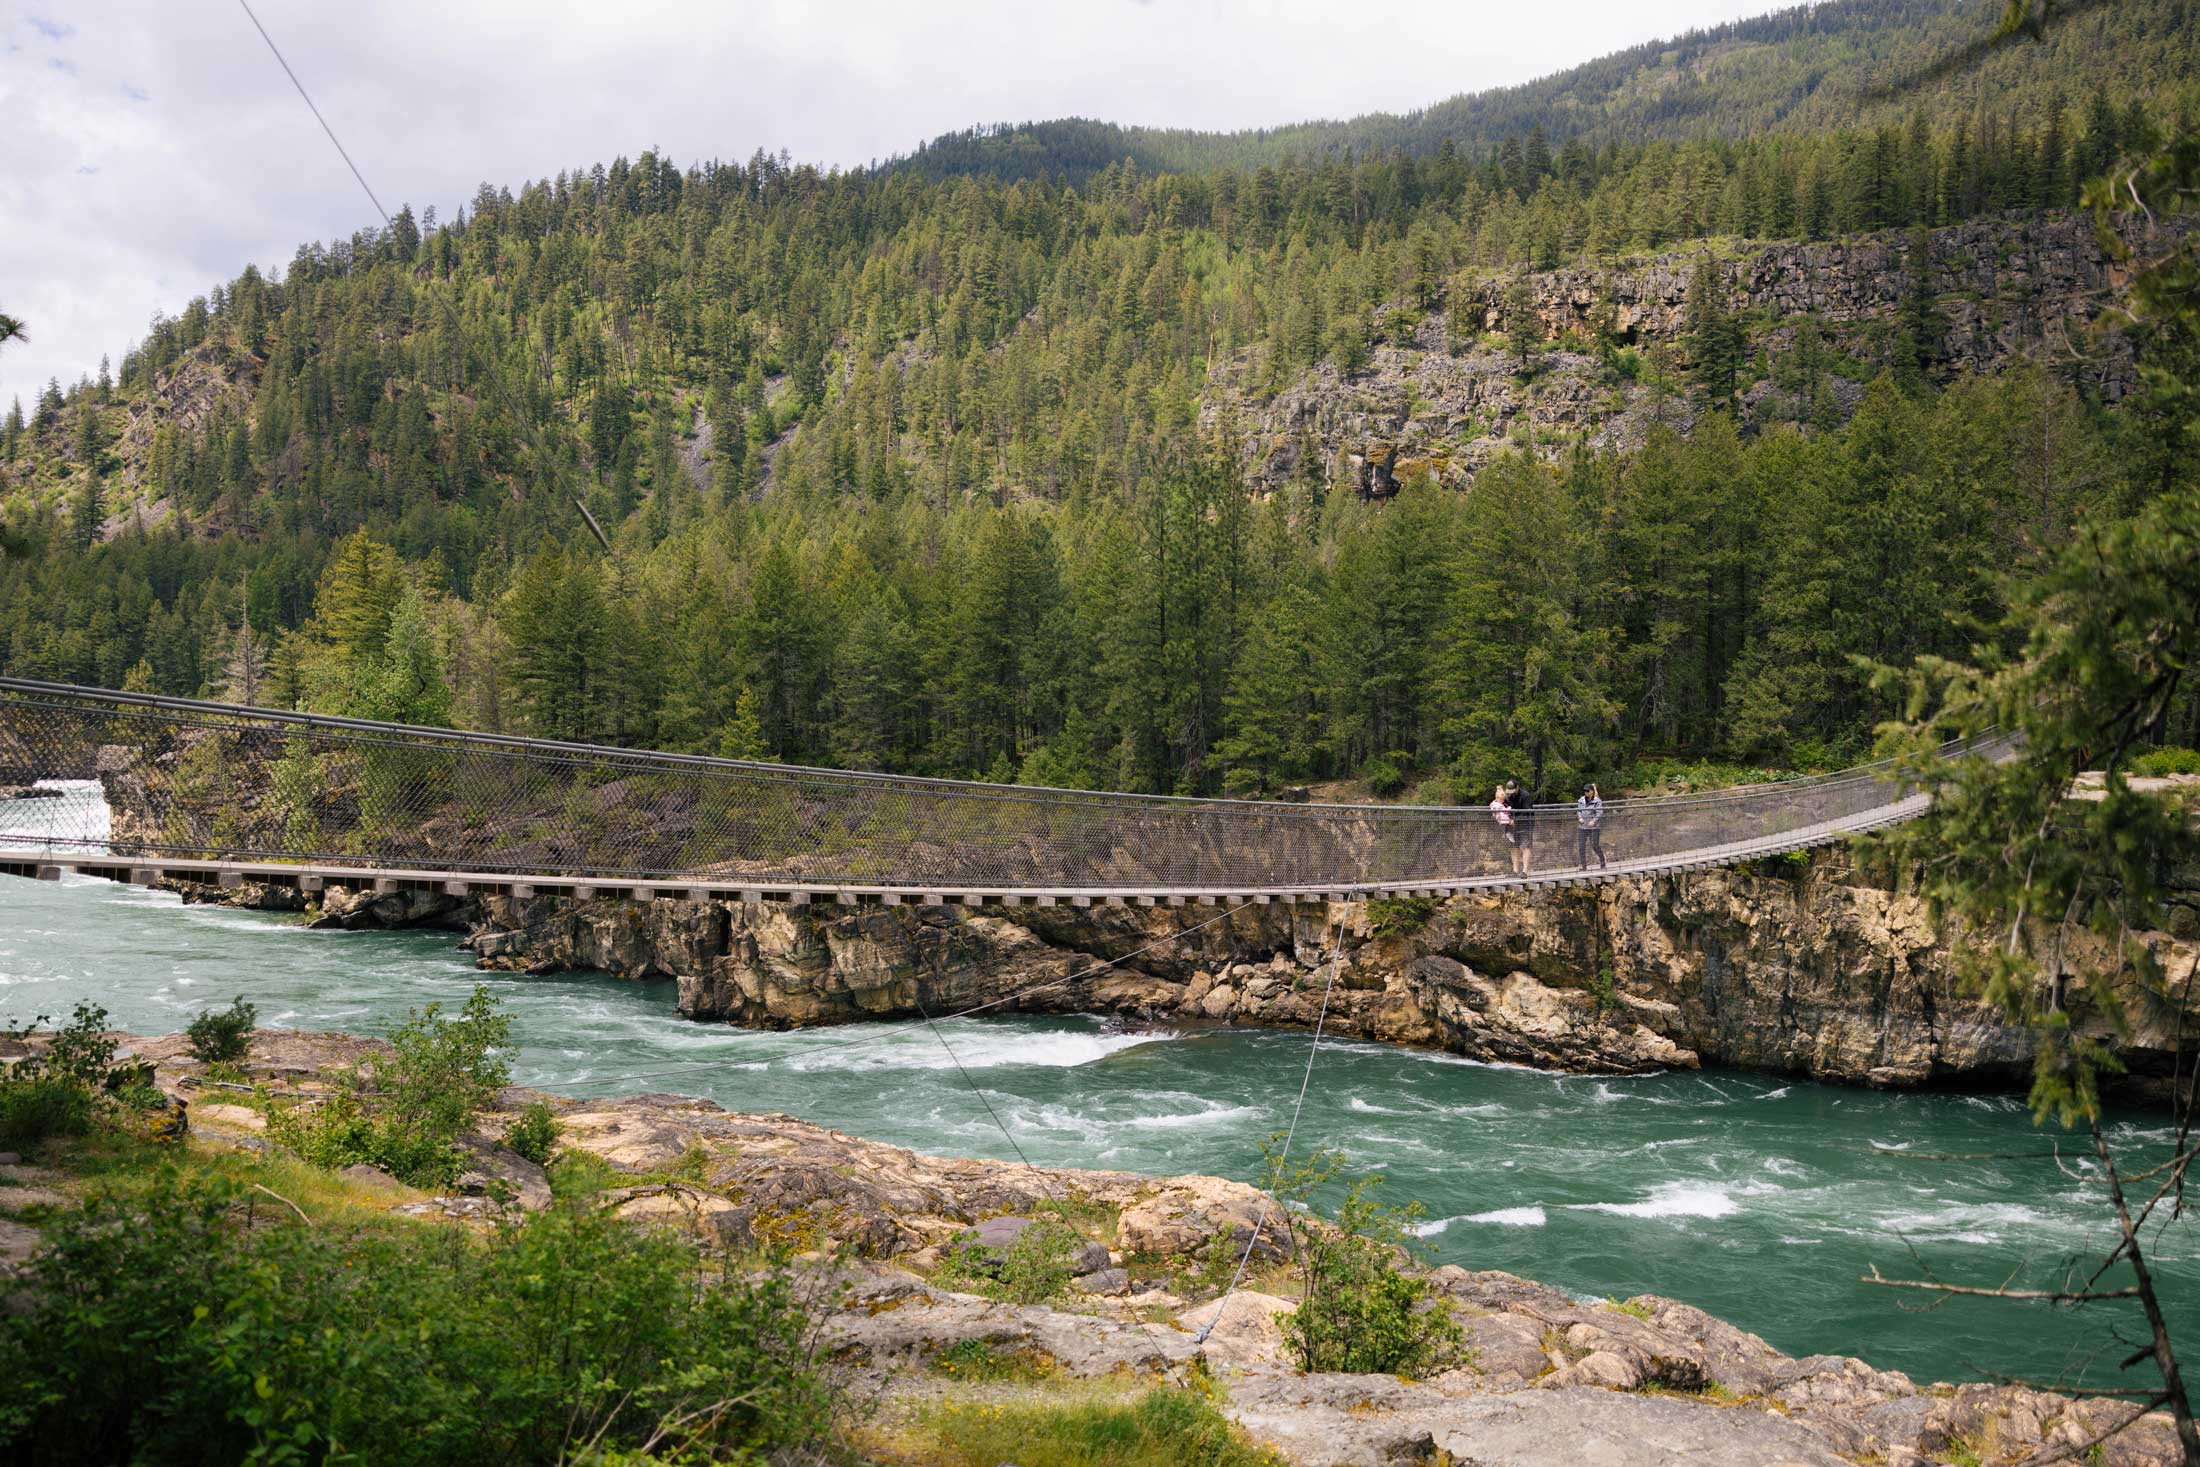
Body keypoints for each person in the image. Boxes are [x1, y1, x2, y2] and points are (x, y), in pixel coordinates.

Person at [1504, 779, 1534, 874]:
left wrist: (1515, 820)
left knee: (1526, 845)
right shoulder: (1508, 796)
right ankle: (1515, 870)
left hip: (1526, 823)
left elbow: (1526, 811)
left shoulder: (1525, 795)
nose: (1510, 794)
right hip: (1512, 823)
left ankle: (1524, 871)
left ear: (1517, 787)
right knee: (1514, 845)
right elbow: (1504, 806)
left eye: (1512, 791)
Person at [1576, 783, 1606, 869]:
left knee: (1595, 846)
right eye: (1584, 791)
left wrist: (1594, 821)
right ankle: (1583, 866)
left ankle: (1603, 861)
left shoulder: (1597, 801)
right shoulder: (1581, 800)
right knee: (1581, 847)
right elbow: (1578, 811)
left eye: (1587, 791)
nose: (1585, 792)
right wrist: (1580, 817)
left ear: (1592, 792)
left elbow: (1599, 813)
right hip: (1582, 827)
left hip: (1594, 827)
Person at [1489, 783, 1514, 870]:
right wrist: (1510, 808)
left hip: (1504, 819)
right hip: (1502, 820)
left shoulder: (1499, 803)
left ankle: (1507, 834)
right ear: (1498, 798)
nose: (1503, 801)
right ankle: (1506, 834)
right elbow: (1503, 810)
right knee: (1506, 830)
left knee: (1508, 829)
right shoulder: (1497, 804)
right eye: (1502, 800)